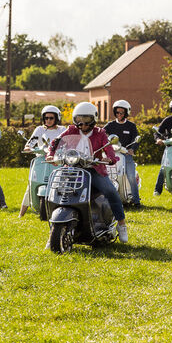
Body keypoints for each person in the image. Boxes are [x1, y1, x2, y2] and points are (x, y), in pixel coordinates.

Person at [47, 102, 128, 242]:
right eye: (79, 120)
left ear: (93, 120)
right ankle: (54, 231)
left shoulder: (100, 133)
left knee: (110, 191)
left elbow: (108, 148)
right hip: (71, 169)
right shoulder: (71, 130)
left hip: (93, 169)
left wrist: (110, 158)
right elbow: (56, 141)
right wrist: (51, 153)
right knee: (55, 192)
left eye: (86, 120)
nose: (82, 124)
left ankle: (121, 225)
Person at [18, 105, 68, 216]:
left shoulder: (62, 130)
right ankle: (21, 214)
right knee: (31, 185)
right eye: (46, 118)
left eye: (51, 118)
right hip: (41, 160)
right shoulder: (39, 129)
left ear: (56, 118)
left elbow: (66, 144)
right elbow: (30, 143)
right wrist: (28, 148)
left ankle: (62, 210)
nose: (48, 120)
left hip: (56, 161)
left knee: (61, 184)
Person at [104, 99, 142, 207]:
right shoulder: (110, 125)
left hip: (126, 154)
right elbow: (101, 134)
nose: (119, 114)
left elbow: (136, 139)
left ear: (126, 113)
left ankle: (136, 200)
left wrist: (132, 149)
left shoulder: (131, 126)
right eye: (117, 112)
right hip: (111, 154)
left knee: (130, 176)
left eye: (122, 112)